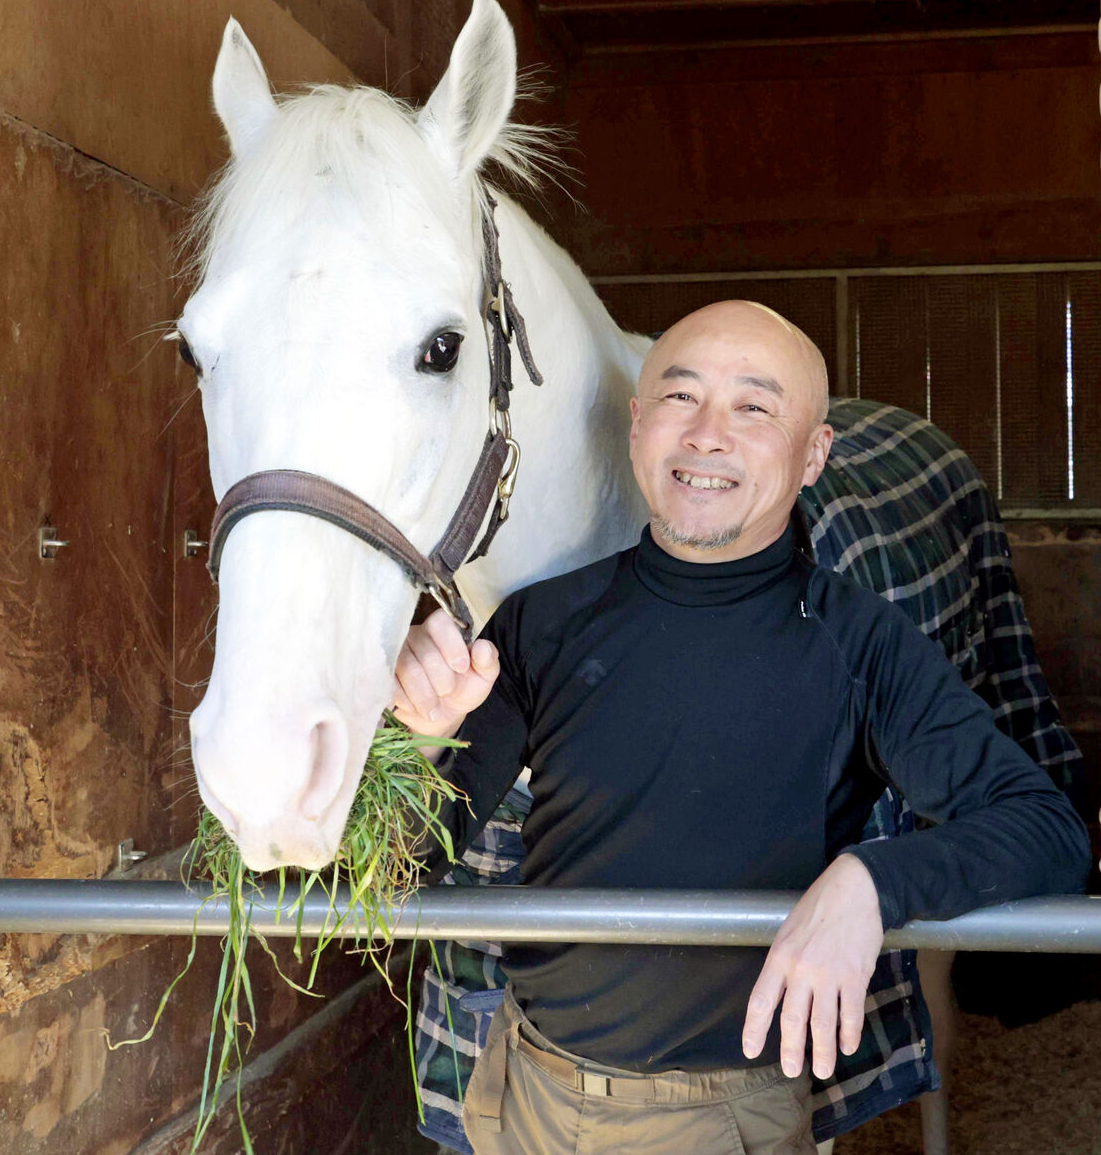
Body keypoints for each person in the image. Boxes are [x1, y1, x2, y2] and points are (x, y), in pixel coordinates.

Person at [394, 300, 1090, 1155]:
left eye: (755, 408)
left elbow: (1048, 829)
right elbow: (405, 860)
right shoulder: (540, 625)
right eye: (681, 400)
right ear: (637, 426)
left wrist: (871, 882)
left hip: (718, 1117)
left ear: (814, 456)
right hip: (520, 1089)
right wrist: (419, 738)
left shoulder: (860, 643)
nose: (708, 435)